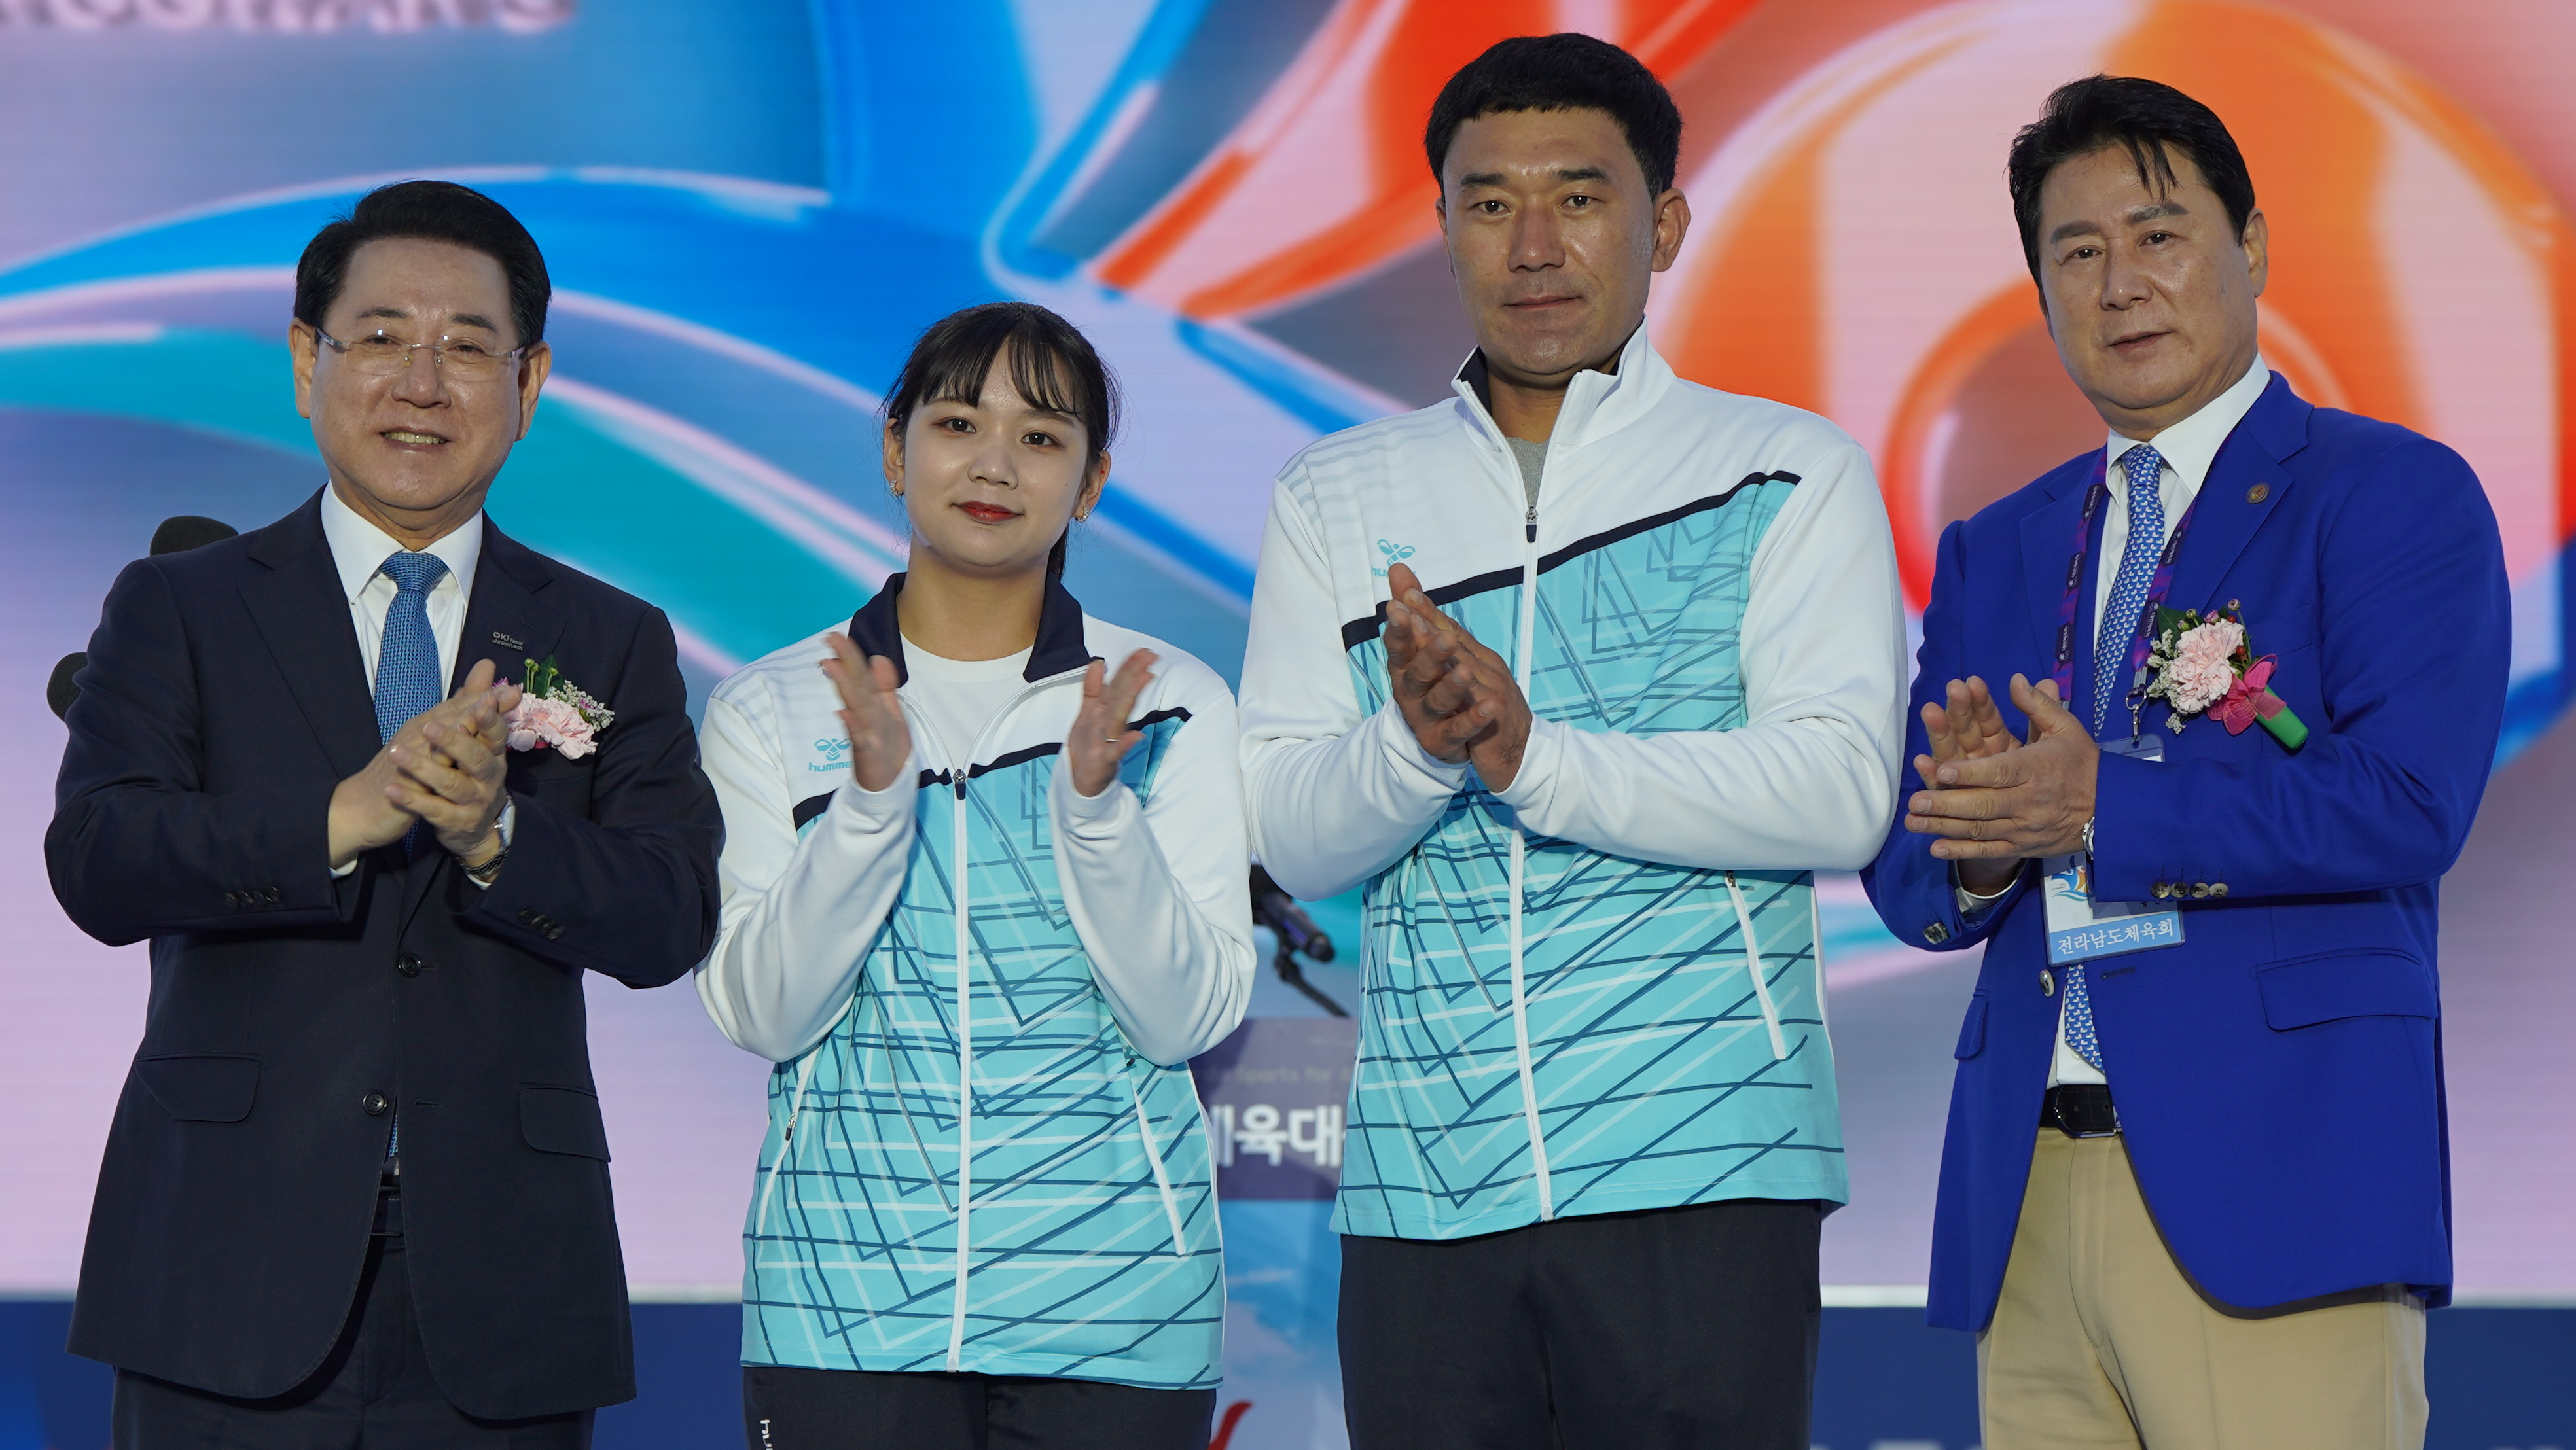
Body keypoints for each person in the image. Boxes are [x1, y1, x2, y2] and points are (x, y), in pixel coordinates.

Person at [1237, 33, 1907, 1450]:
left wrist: (1536, 757)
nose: (1533, 245)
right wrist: (1418, 747)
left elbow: (1841, 790)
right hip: (1424, 1185)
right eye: (1490, 203)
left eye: (1580, 198)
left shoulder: (1786, 467)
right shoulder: (1334, 493)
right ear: (1441, 228)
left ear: (1664, 223)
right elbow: (1290, 830)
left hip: (1707, 1164)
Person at [1863, 76, 2509, 1449]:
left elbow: (2410, 803)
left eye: (2158, 236)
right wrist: (1980, 838)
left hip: (2282, 1182)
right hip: (2026, 1196)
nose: (2121, 285)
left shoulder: (2389, 492)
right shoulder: (1996, 544)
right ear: (2041, 292)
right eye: (2077, 252)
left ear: (2252, 247)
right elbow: (1911, 874)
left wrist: (2099, 804)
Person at [46, 180, 723, 1447]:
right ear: (308, 364)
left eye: (467, 346)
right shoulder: (180, 604)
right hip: (224, 1268)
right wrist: (336, 819)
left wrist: (497, 838)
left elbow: (670, 915)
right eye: (380, 337)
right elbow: (99, 859)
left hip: (507, 1285)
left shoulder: (609, 638)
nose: (422, 382)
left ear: (529, 383)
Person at [694, 302, 1253, 1450]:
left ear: (1091, 484)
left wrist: (1095, 814)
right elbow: (762, 1012)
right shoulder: (773, 705)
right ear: (895, 451)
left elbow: (1185, 1018)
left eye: (1042, 438)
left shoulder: (1168, 702)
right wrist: (868, 808)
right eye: (958, 424)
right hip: (844, 1315)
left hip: (1119, 1314)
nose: (996, 465)